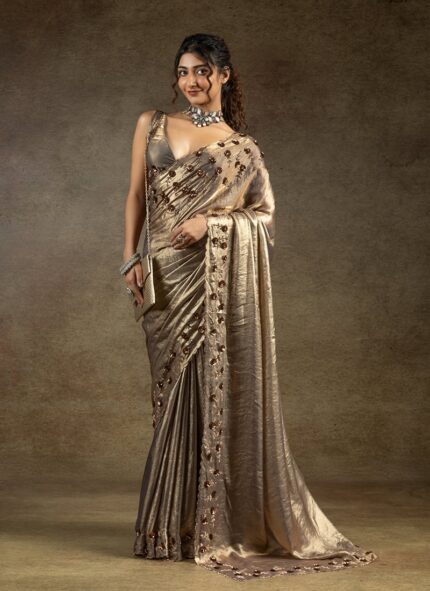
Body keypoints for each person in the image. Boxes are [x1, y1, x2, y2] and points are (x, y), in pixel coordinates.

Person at [121, 33, 378, 582]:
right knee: (171, 394)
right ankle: (169, 524)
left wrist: (211, 222)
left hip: (208, 274)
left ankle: (195, 528)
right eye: (183, 71)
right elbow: (137, 195)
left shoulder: (242, 149)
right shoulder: (152, 124)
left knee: (204, 386)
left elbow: (263, 217)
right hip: (163, 274)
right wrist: (129, 258)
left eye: (202, 71)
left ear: (224, 76)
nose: (191, 81)